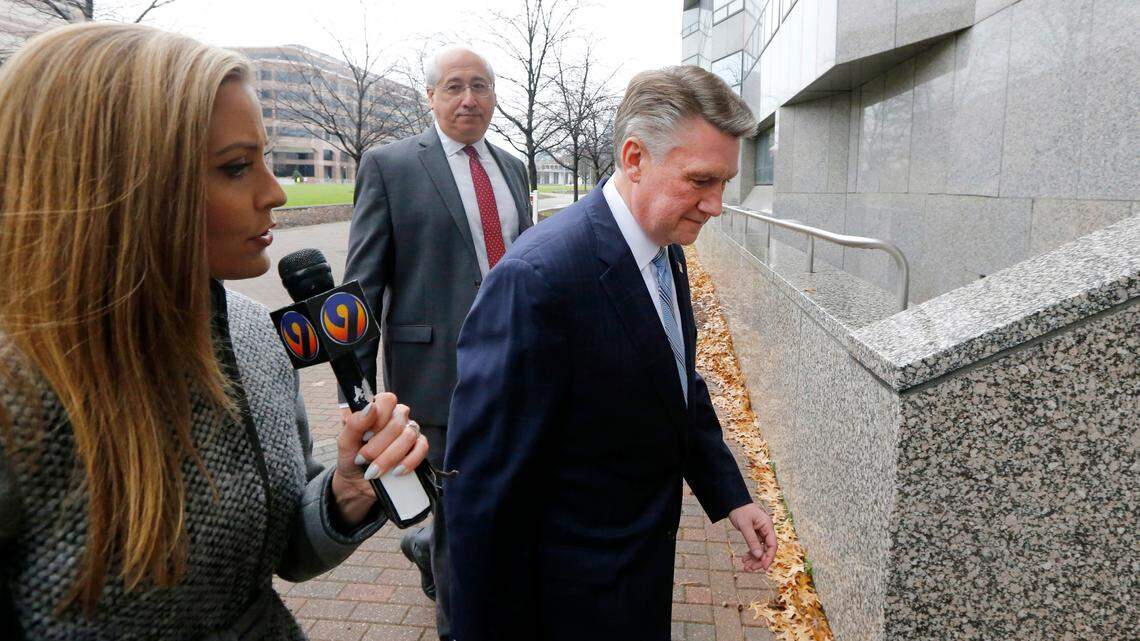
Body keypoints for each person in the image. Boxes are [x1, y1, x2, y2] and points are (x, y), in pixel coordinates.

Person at [0, 24, 428, 640]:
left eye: (265, 160)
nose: (275, 193)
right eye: (236, 167)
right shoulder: (17, 391)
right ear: (117, 183)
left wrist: (343, 492)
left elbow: (279, 551)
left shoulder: (255, 336)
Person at [444, 65, 779, 641]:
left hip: (636, 580)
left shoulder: (665, 245)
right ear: (634, 158)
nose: (717, 205)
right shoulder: (539, 278)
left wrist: (729, 494)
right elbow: (484, 494)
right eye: (701, 180)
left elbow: (676, 382)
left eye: (725, 182)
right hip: (567, 603)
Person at [341, 45, 531, 639]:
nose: (468, 98)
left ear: (494, 96)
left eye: (480, 86)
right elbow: (361, 286)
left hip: (513, 365)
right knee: (457, 509)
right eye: (453, 86)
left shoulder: (513, 168)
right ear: (430, 96)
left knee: (496, 496)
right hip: (433, 374)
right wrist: (358, 395)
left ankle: (430, 548)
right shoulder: (389, 166)